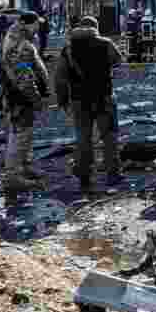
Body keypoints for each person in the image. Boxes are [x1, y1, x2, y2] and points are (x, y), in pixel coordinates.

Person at [55, 15, 123, 191]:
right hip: (104, 97)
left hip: (79, 100)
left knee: (83, 138)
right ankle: (113, 174)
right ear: (96, 28)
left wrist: (62, 101)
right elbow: (118, 61)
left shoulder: (68, 48)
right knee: (109, 136)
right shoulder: (106, 43)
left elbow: (60, 78)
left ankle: (85, 176)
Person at [0, 11, 51, 192]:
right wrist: (36, 99)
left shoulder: (19, 39)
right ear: (24, 23)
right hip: (21, 98)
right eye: (35, 24)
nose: (38, 27)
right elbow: (24, 77)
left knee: (25, 134)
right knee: (20, 135)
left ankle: (23, 168)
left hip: (19, 96)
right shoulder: (21, 45)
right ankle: (13, 177)